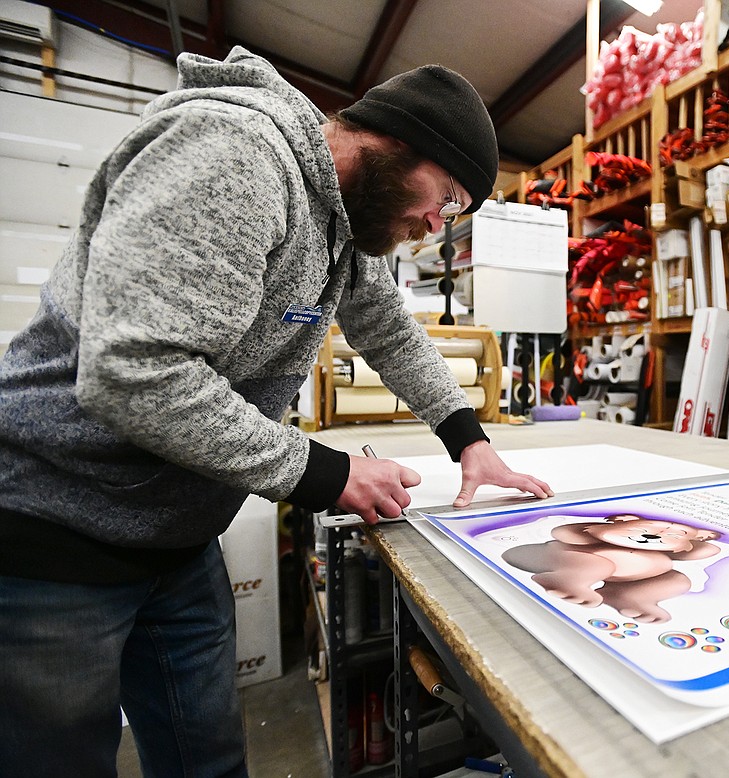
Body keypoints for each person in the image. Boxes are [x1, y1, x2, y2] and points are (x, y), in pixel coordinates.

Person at [0, 46, 552, 777]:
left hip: (177, 542)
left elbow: (388, 327)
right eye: (446, 197)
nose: (433, 222)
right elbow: (137, 373)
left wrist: (469, 441)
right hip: (57, 535)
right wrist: (326, 474)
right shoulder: (235, 157)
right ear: (399, 141)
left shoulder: (345, 220)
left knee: (212, 760)